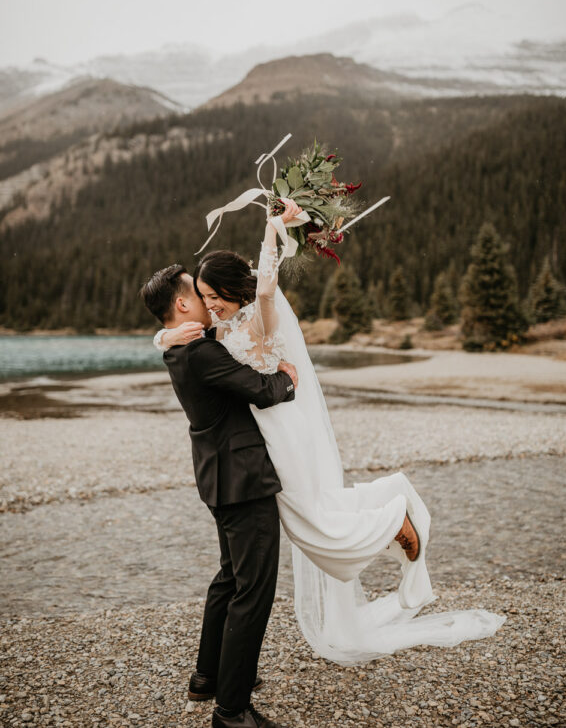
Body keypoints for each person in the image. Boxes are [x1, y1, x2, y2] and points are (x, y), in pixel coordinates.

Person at [155, 200, 505, 667]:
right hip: (263, 435)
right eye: (202, 295)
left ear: (227, 289)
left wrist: (272, 230)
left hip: (281, 427)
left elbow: (264, 287)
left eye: (212, 294)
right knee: (313, 514)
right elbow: (190, 348)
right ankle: (391, 502)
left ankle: (393, 520)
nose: (210, 303)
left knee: (309, 520)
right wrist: (161, 337)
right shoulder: (217, 331)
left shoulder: (258, 314)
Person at [140, 261, 298, 728]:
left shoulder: (181, 347)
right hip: (243, 480)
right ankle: (231, 710)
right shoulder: (202, 353)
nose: (211, 303)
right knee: (253, 591)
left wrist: (159, 337)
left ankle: (207, 678)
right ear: (183, 304)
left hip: (218, 476)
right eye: (200, 295)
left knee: (229, 581)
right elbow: (261, 390)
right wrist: (289, 377)